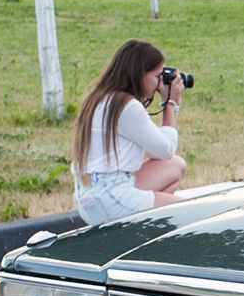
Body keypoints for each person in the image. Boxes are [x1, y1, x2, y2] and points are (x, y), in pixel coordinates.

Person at [71, 39, 189, 225]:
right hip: (110, 197)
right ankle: (140, 225)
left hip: (90, 194)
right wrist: (170, 103)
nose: (160, 83)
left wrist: (170, 104)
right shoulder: (126, 106)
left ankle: (142, 222)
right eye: (157, 76)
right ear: (139, 74)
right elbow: (166, 148)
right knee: (186, 212)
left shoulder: (98, 99)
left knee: (175, 166)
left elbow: (159, 153)